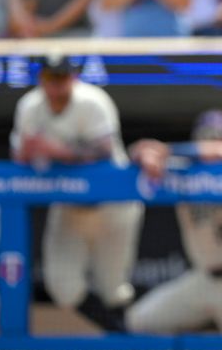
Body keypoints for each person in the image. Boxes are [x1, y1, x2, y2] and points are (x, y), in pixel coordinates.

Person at [10, 53, 143, 331]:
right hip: (69, 205)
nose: (56, 85)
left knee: (113, 287)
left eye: (62, 77)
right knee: (62, 286)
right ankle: (121, 336)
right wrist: (28, 151)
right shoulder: (30, 106)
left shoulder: (92, 101)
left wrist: (58, 151)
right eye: (50, 78)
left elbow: (103, 151)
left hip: (111, 204)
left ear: (73, 77)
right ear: (40, 79)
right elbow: (19, 156)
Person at [126, 110, 222, 335]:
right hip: (202, 280)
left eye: (219, 136)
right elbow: (139, 149)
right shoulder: (183, 169)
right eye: (206, 137)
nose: (213, 142)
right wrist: (149, 154)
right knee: (138, 320)